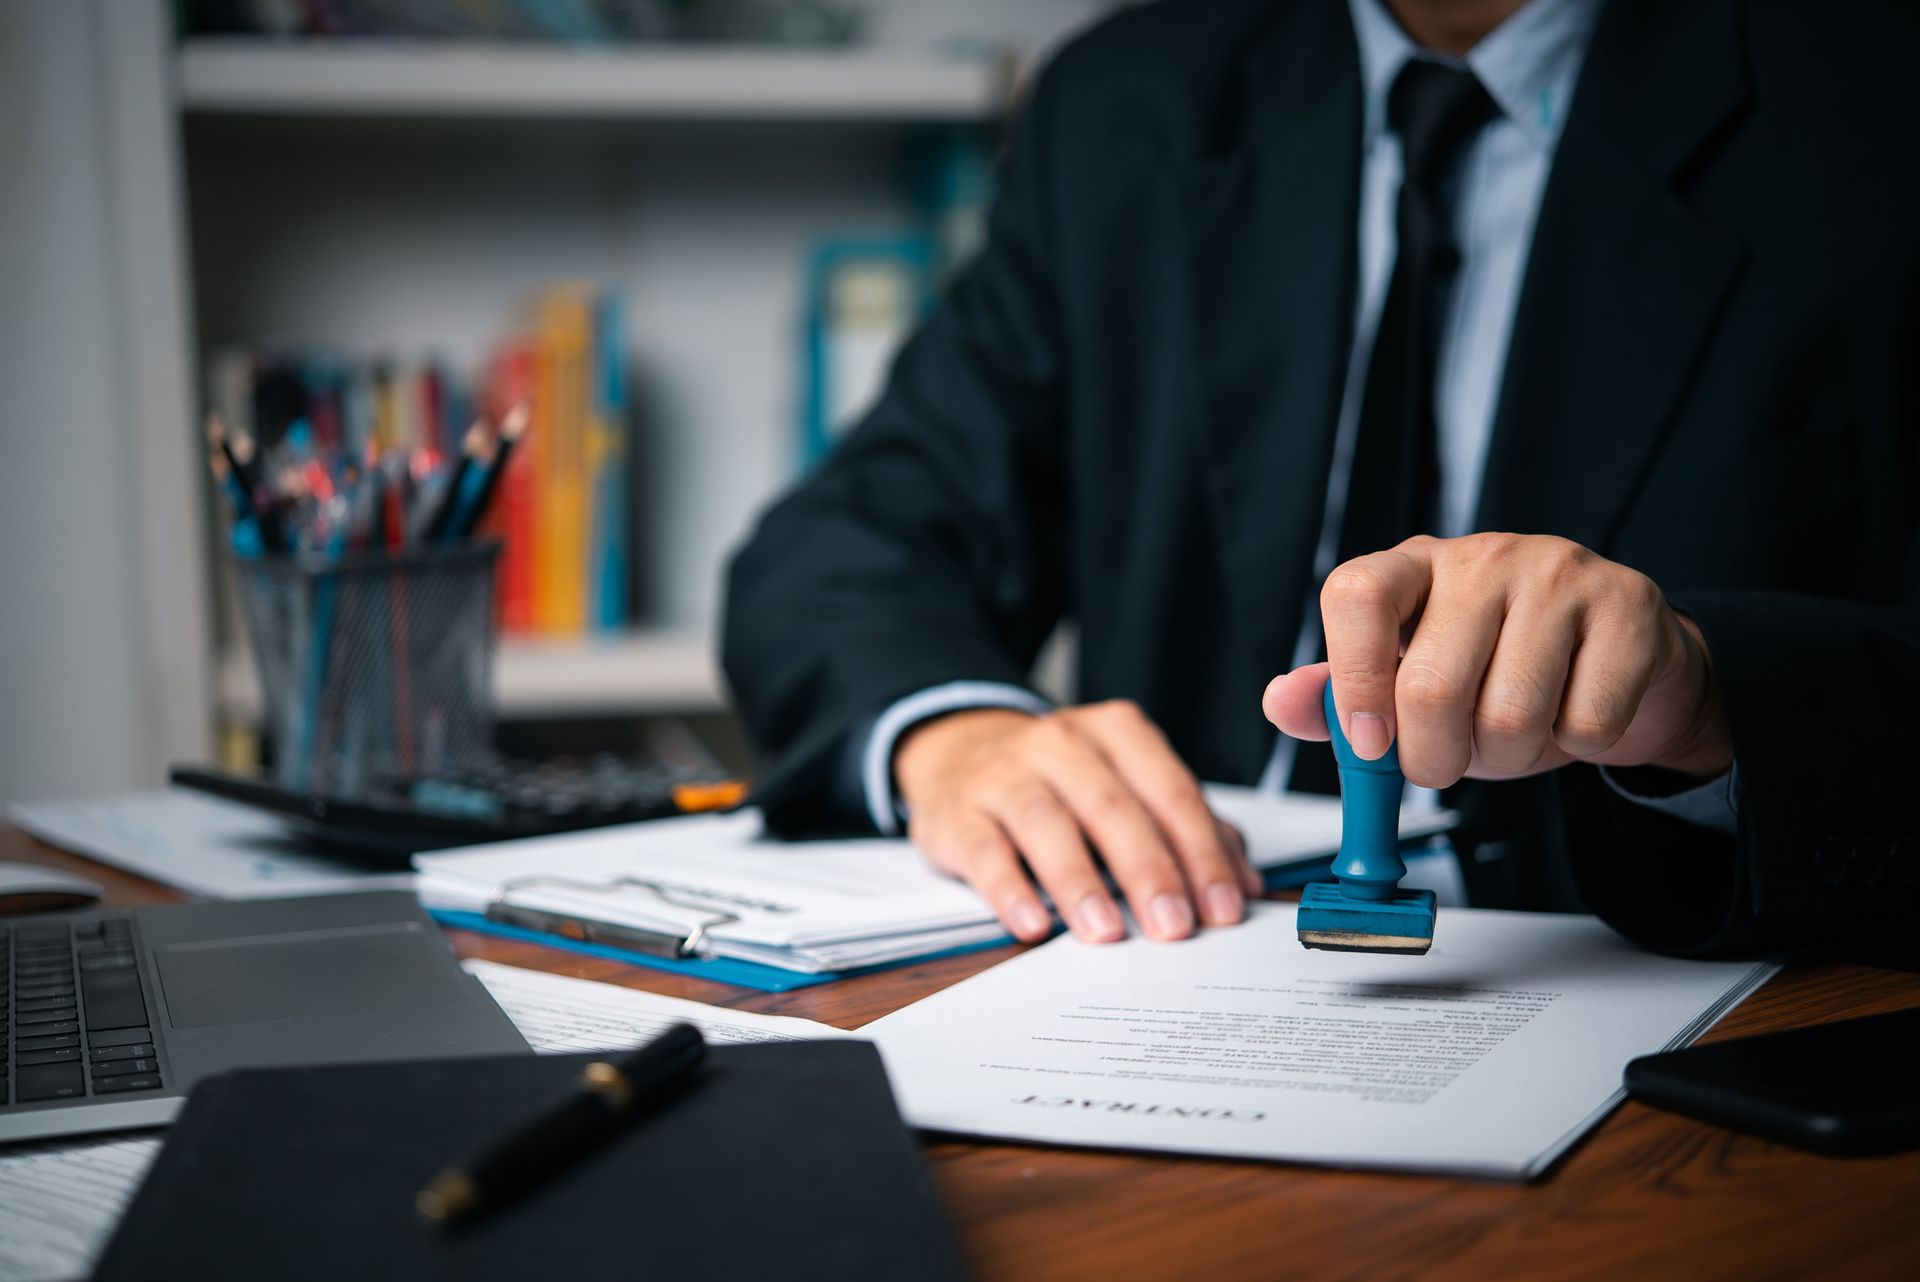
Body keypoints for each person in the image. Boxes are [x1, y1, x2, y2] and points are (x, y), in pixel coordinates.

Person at [722, 0, 1920, 961]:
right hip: (1167, 958)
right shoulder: (1127, 101)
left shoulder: (1871, 98)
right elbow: (842, 547)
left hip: (1680, 997)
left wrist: (1711, 690)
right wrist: (956, 734)